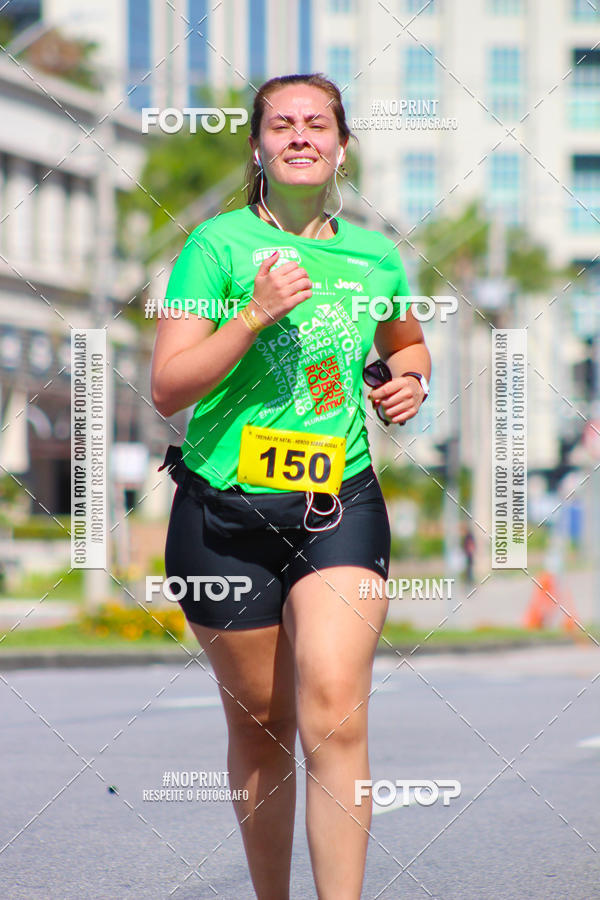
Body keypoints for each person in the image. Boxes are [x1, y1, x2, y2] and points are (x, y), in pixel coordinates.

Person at [151, 73, 431, 900]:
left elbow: (407, 344)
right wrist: (252, 315)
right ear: (258, 145)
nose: (300, 135)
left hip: (336, 503)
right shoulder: (217, 247)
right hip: (224, 514)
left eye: (317, 124)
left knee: (335, 705)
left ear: (342, 145)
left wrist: (409, 381)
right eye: (283, 124)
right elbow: (169, 388)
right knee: (263, 723)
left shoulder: (376, 255)